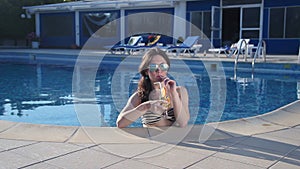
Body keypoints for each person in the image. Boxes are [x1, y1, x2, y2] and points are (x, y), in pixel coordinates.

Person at [116, 47, 190, 128]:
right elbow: (120, 123)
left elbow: (183, 123)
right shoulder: (140, 96)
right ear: (146, 71)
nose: (159, 70)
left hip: (174, 139)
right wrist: (146, 106)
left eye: (163, 66)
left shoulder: (180, 92)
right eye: (153, 66)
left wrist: (174, 94)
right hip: (150, 139)